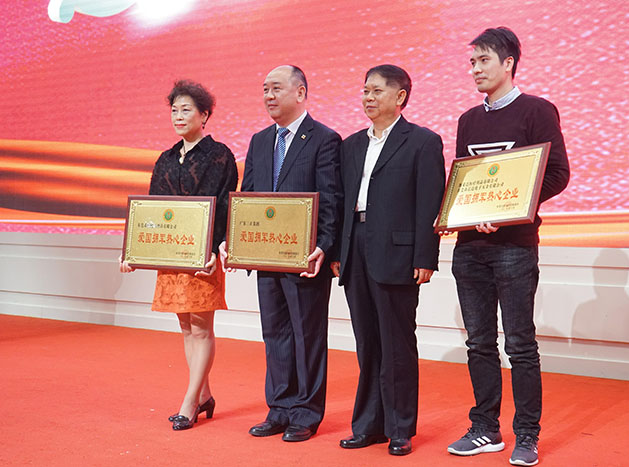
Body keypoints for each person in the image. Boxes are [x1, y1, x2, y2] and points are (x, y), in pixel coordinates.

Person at [445, 27, 570, 466]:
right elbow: (465, 181)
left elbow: (557, 174)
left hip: (515, 246)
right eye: (472, 62)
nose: (475, 70)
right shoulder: (467, 120)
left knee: (519, 344)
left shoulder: (536, 110)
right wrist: (456, 215)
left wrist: (511, 210)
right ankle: (485, 428)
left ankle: (527, 434)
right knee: (479, 343)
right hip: (469, 247)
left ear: (508, 63)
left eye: (483, 61)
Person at [330, 64, 445, 456]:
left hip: (397, 253)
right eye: (365, 90)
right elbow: (342, 202)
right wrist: (338, 252)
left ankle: (400, 428)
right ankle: (368, 425)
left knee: (396, 343)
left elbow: (429, 202)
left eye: (377, 91)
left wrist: (425, 256)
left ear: (400, 96)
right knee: (367, 343)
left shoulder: (423, 142)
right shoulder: (350, 145)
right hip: (356, 248)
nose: (368, 97)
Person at [227, 65, 341, 442]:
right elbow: (248, 197)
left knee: (307, 336)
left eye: (276, 88)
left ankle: (306, 413)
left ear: (300, 92)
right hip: (266, 256)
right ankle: (279, 408)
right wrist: (236, 242)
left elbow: (331, 200)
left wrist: (323, 246)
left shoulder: (324, 139)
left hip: (305, 258)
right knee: (275, 333)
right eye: (264, 89)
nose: (268, 96)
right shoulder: (260, 141)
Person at [119, 80, 238, 431]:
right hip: (172, 257)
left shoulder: (219, 155)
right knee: (186, 327)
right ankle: (204, 395)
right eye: (174, 110)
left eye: (186, 110)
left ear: (204, 115)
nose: (179, 116)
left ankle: (189, 402)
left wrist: (216, 249)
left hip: (203, 258)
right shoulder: (166, 159)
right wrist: (134, 252)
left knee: (201, 328)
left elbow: (225, 206)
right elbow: (152, 212)